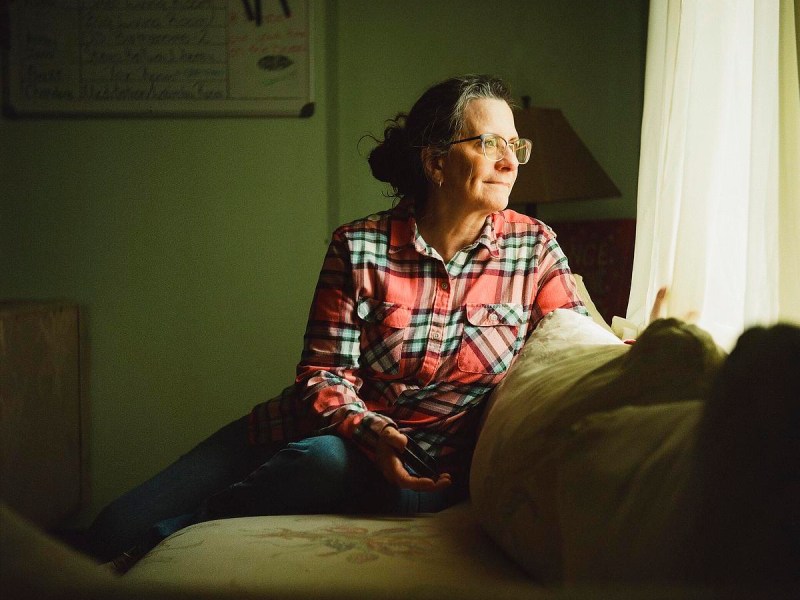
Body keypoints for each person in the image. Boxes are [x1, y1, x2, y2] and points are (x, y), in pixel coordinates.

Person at [66, 74, 588, 571]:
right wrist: (370, 428)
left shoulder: (534, 248)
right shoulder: (358, 246)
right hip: (313, 423)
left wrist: (637, 348)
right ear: (435, 162)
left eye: (515, 146)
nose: (509, 161)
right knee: (112, 527)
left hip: (415, 469)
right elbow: (324, 373)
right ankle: (121, 546)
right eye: (490, 143)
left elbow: (572, 347)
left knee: (321, 462)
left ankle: (163, 545)